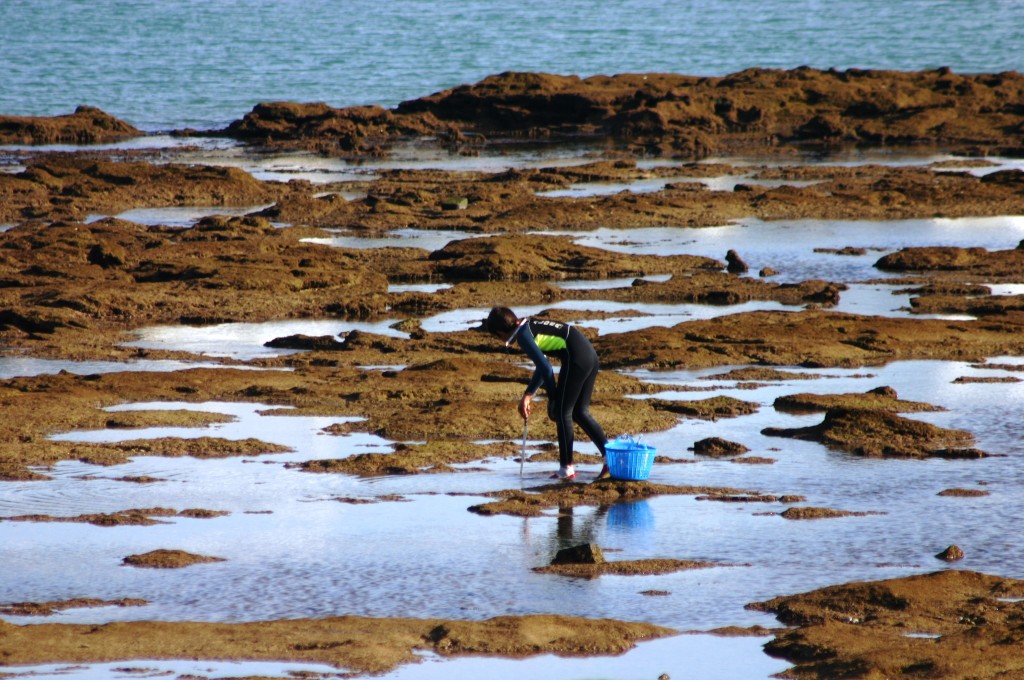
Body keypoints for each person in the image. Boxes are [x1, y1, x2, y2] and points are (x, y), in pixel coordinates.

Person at [485, 306, 608, 481]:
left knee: (562, 413)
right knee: (579, 412)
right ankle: (610, 458)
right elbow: (542, 367)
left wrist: (552, 397)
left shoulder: (522, 336)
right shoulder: (528, 325)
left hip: (576, 360)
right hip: (589, 356)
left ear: (499, 332)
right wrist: (530, 394)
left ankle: (567, 468)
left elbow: (546, 368)